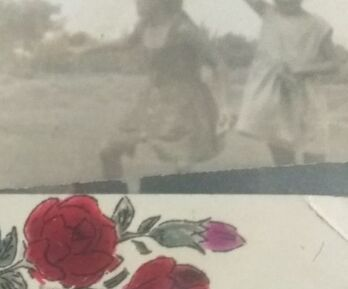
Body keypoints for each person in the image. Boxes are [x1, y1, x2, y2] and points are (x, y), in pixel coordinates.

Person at [101, 0, 230, 186]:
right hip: (152, 99)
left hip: (185, 104)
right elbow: (125, 43)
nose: (136, 3)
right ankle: (111, 194)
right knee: (108, 150)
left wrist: (223, 106)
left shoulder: (183, 29)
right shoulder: (144, 25)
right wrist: (88, 48)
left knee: (182, 165)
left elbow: (219, 64)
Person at [237, 0, 337, 166]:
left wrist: (302, 68)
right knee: (283, 159)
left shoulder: (318, 25)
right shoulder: (269, 13)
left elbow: (334, 64)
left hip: (307, 96)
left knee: (315, 156)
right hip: (276, 96)